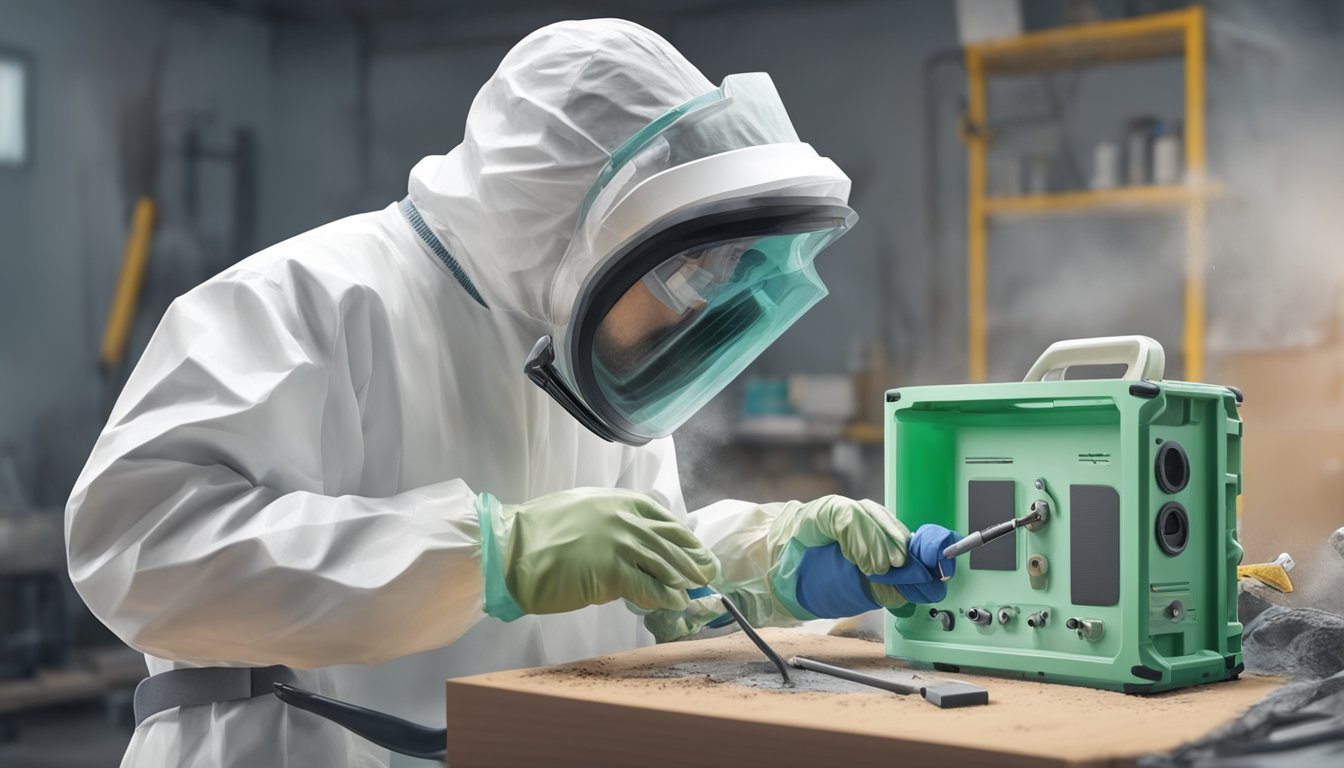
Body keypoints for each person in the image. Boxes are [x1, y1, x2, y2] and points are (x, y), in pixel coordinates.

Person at [65, 19, 957, 767]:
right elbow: (135, 544)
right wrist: (484, 555)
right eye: (686, 270)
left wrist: (772, 561)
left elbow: (633, 576)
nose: (695, 303)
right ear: (578, 217)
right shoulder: (310, 300)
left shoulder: (594, 360)